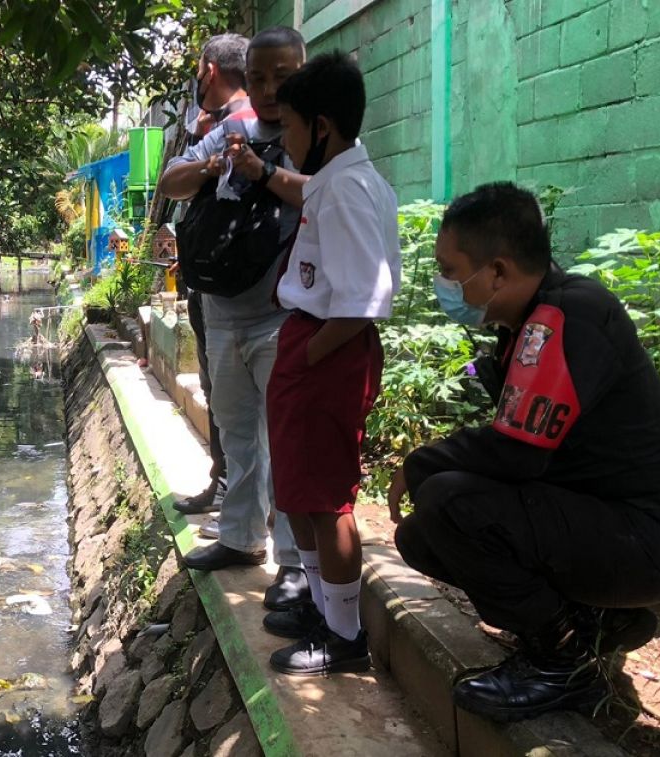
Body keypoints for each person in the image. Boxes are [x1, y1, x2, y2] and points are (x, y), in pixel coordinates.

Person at [387, 182, 660, 721]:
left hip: (652, 538)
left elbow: (516, 455)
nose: (444, 283)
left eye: (448, 269)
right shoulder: (530, 322)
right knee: (423, 534)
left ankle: (562, 663)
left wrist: (421, 463)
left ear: (499, 272)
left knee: (447, 502)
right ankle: (597, 622)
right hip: (614, 524)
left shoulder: (567, 316)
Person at [257, 52, 401, 676]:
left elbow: (363, 302)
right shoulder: (336, 180)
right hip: (313, 346)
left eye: (288, 126)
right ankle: (324, 609)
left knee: (325, 498)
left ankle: (344, 636)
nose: (283, 142)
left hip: (328, 350)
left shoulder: (344, 189)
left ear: (322, 126)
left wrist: (310, 359)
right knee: (301, 494)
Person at [157, 27, 309, 611]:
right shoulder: (230, 129)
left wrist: (264, 174)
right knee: (240, 435)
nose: (270, 89)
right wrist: (217, 159)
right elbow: (174, 181)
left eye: (283, 77)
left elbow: (324, 196)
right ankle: (242, 539)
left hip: (279, 315)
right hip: (222, 315)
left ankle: (292, 562)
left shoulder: (310, 137)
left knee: (285, 440)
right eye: (261, 77)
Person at [170, 32, 253, 519]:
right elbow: (173, 183)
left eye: (199, 72)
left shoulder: (247, 123)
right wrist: (209, 159)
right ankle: (227, 487)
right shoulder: (216, 132)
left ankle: (234, 492)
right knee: (225, 396)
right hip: (216, 288)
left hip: (244, 292)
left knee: (235, 400)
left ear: (210, 70)